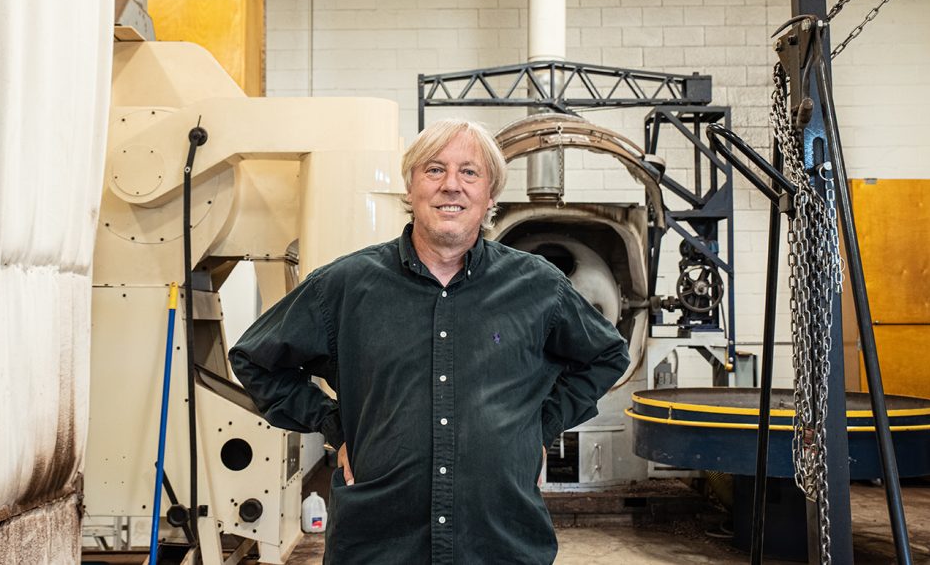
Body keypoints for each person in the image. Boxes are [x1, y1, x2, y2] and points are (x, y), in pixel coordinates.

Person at [229, 119, 630, 564]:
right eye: (434, 170)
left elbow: (606, 356)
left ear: (490, 195)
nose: (451, 186)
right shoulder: (345, 285)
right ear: (411, 187)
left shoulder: (538, 286)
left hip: (499, 540)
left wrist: (540, 427)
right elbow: (256, 359)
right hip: (379, 542)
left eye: (469, 173)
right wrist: (336, 428)